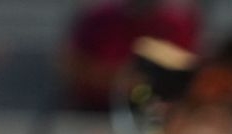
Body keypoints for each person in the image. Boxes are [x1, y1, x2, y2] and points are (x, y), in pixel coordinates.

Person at [61, 0, 201, 112]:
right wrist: (116, 79)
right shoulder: (98, 19)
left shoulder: (178, 23)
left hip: (161, 112)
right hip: (96, 111)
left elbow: (190, 71)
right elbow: (70, 64)